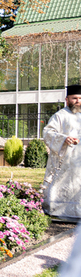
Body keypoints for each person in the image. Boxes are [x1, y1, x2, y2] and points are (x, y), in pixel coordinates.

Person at [41, 84, 81, 218]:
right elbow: (47, 133)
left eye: (80, 98)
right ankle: (59, 210)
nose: (78, 101)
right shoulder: (60, 116)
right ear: (67, 99)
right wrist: (63, 139)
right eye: (74, 98)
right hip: (65, 160)